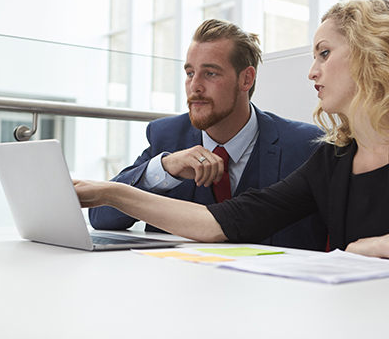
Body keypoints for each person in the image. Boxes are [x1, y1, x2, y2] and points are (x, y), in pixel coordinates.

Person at [75, 0, 389, 274]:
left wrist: (385, 247)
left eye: (324, 53)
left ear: (375, 52)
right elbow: (222, 222)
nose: (313, 71)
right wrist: (111, 192)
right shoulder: (333, 158)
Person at [89, 18, 327, 251]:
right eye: (190, 73)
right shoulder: (167, 136)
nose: (195, 87)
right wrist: (165, 168)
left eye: (210, 73)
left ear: (246, 79)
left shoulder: (304, 146)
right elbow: (101, 217)